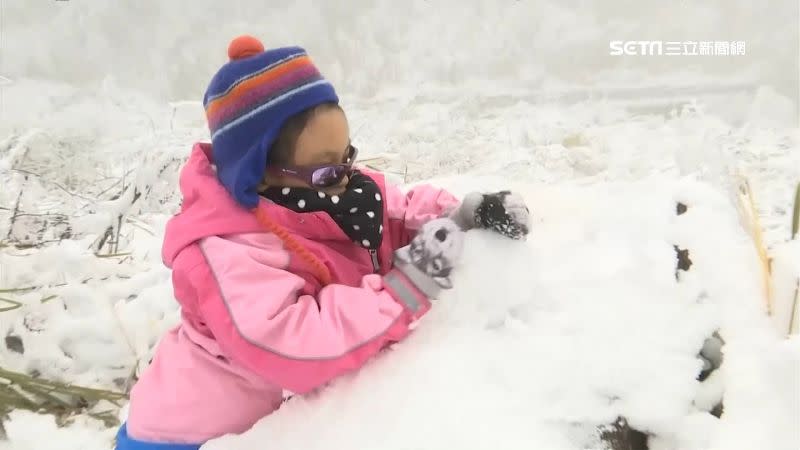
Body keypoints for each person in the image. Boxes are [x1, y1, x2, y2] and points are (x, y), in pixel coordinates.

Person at [115, 35, 530, 449]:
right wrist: (403, 288)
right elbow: (295, 343)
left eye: (346, 156)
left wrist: (460, 217)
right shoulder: (226, 250)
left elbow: (395, 212)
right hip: (184, 437)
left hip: (275, 422)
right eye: (328, 171)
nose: (347, 177)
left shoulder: (332, 188)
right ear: (257, 174)